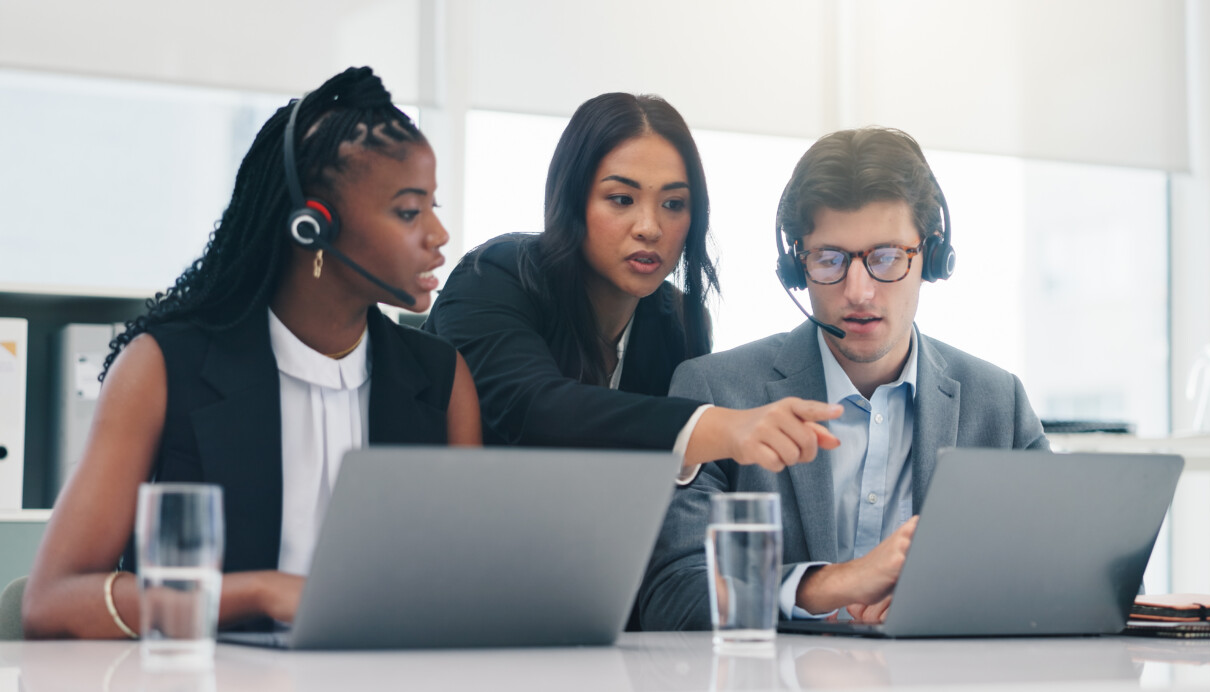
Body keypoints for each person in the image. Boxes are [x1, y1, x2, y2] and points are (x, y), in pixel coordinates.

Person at [23, 66, 480, 639]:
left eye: (433, 206)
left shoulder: (439, 379)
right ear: (313, 226)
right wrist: (262, 591)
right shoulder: (164, 366)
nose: (438, 233)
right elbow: (52, 599)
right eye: (410, 212)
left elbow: (464, 588)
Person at [637, 127, 1049, 631]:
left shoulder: (998, 404)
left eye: (886, 257)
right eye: (829, 259)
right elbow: (672, 595)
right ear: (795, 265)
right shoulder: (716, 392)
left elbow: (1080, 578)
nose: (859, 292)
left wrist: (962, 594)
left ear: (932, 260)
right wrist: (832, 583)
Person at [424, 93, 841, 476]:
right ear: (573, 201)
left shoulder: (676, 322)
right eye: (622, 199)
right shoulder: (493, 276)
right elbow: (534, 412)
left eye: (674, 204)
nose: (650, 228)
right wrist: (722, 425)